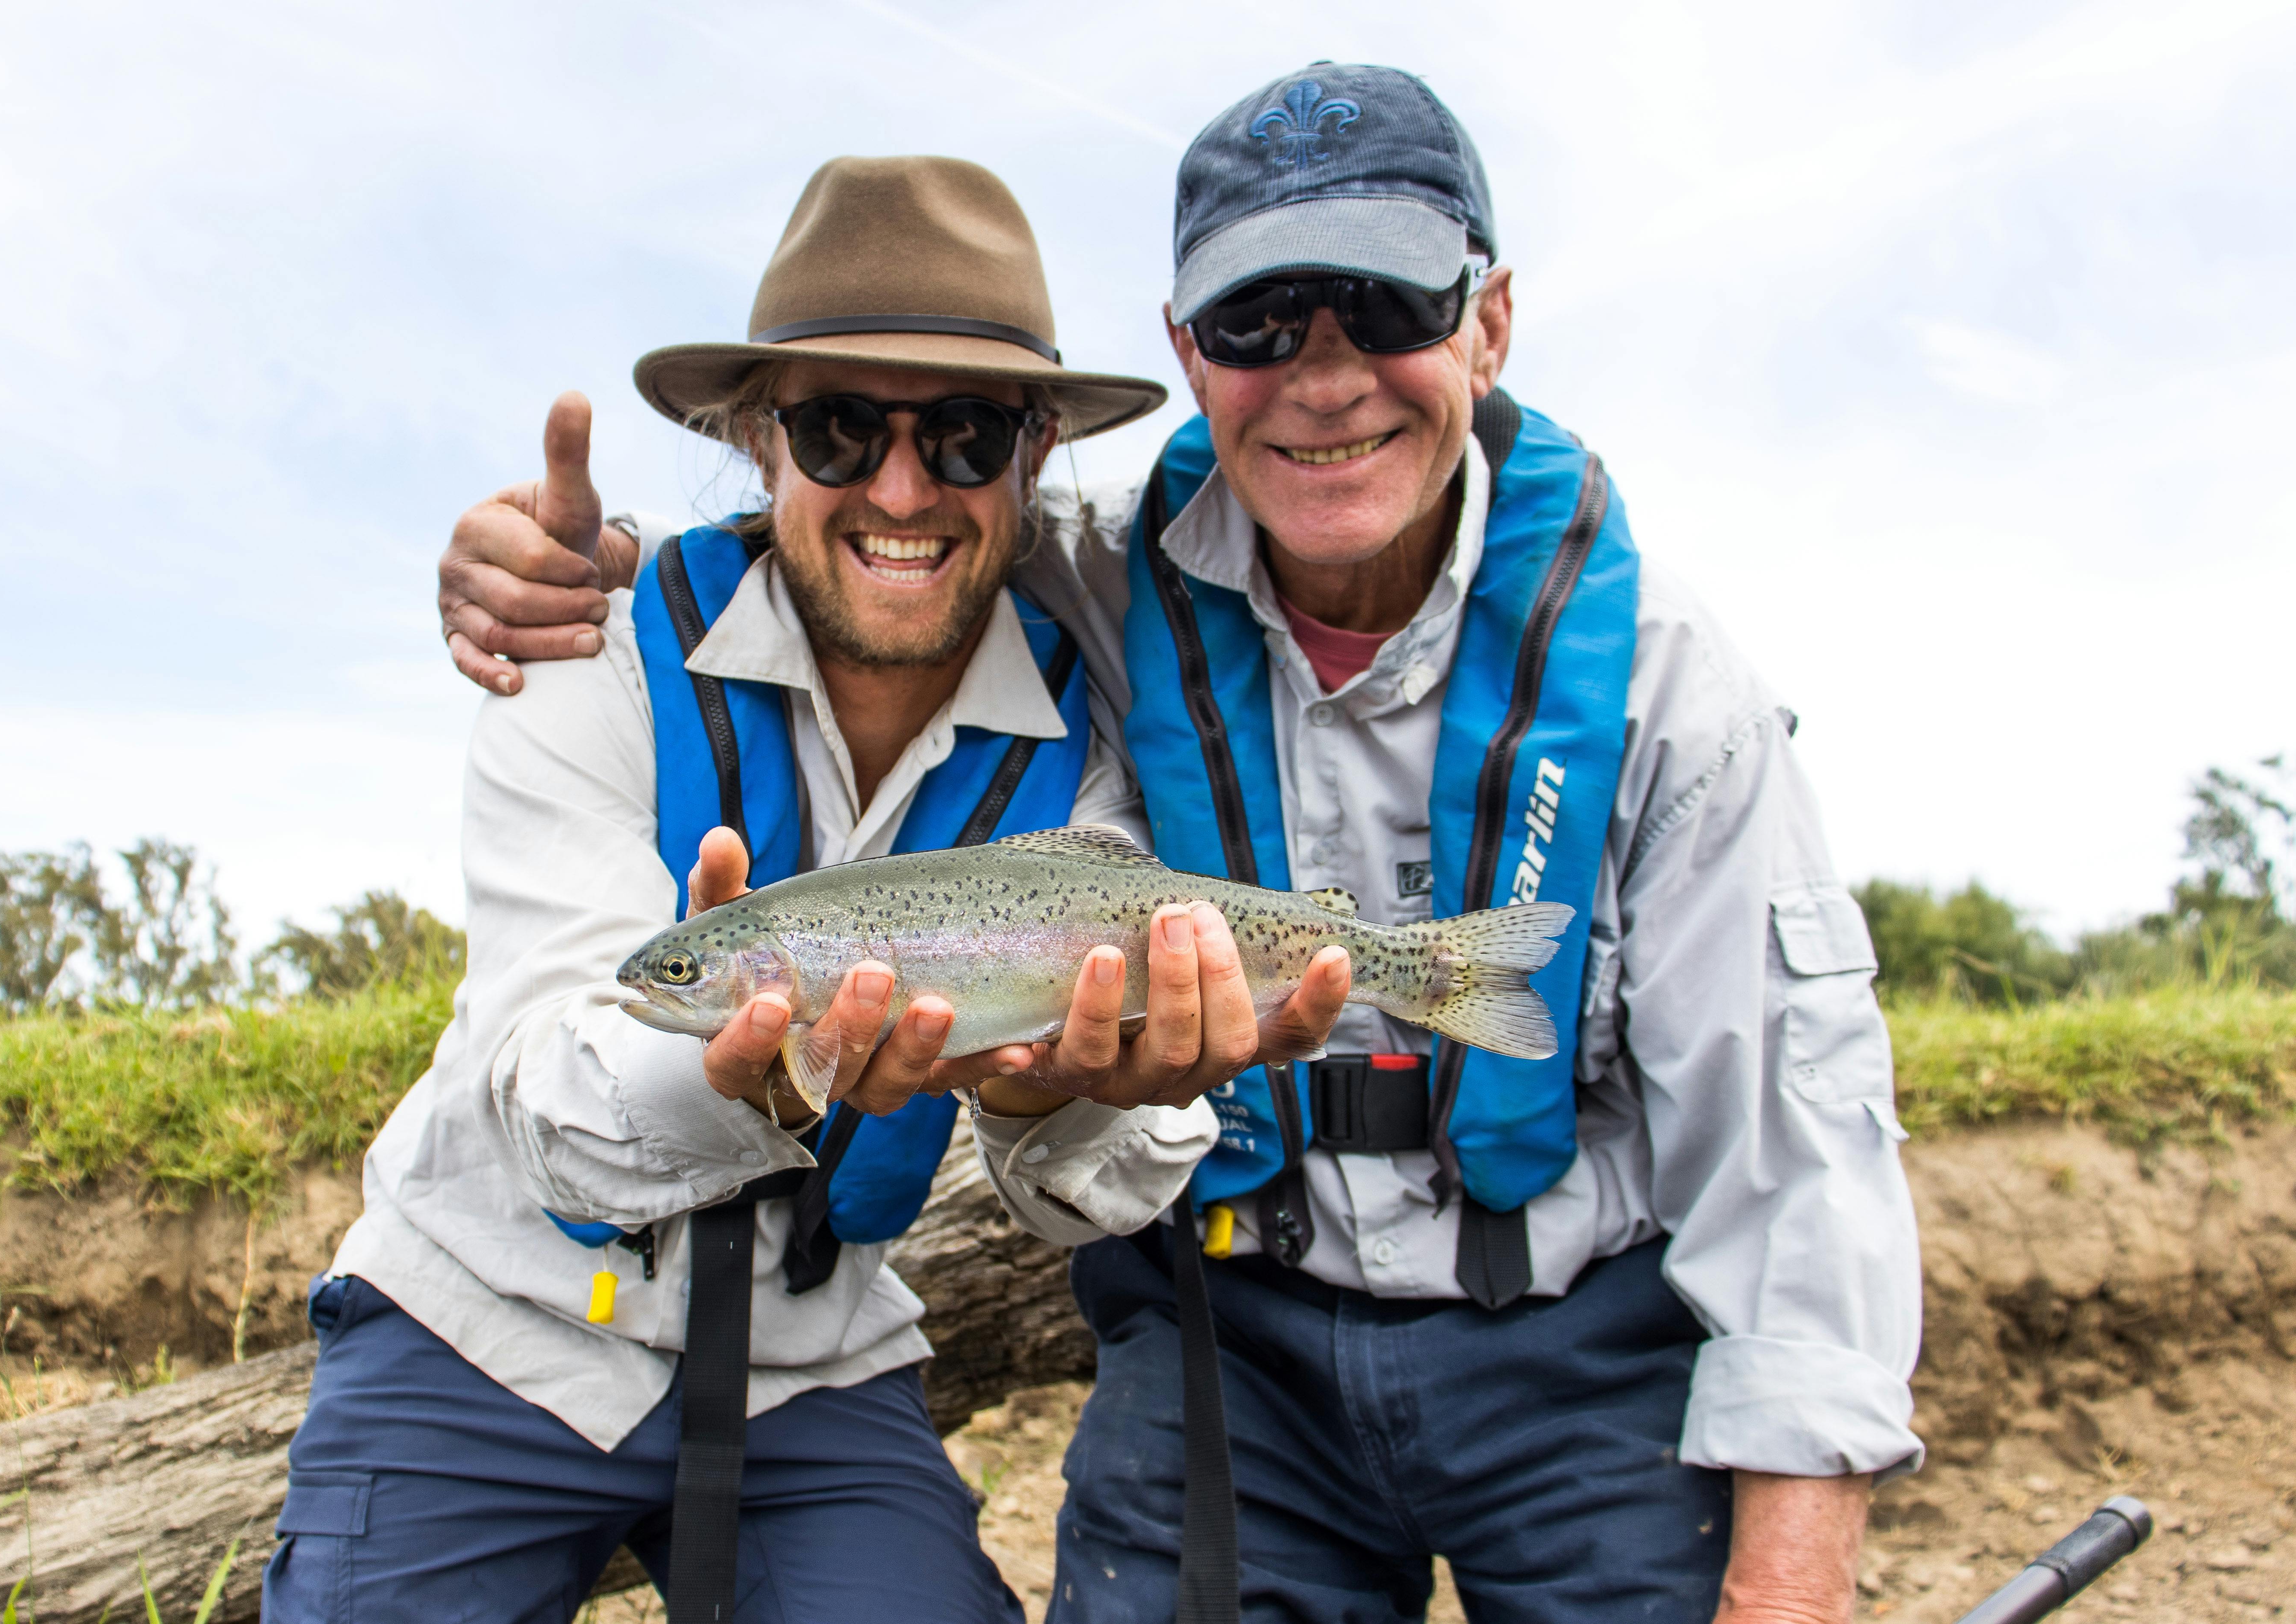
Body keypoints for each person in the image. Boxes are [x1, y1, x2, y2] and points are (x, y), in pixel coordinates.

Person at [440, 66, 1924, 1624]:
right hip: (1227, 1328)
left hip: (1578, 1348)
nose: (1323, 380)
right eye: (1258, 324)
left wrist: (1790, 1588)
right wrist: (579, 572)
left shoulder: (1675, 693)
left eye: (1388, 306)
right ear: (1188, 353)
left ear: (1488, 324)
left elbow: (1803, 1152)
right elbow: (876, 546)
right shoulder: (1086, 567)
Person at [271, 154, 1349, 1624]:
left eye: (965, 432)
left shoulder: (1095, 730)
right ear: (757, 437)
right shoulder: (585, 650)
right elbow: (546, 1093)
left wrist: (1062, 1094)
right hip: (482, 1319)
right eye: (839, 427)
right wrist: (745, 1072)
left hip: (812, 1363)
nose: (902, 489)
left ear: (1034, 452)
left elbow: (1091, 1191)